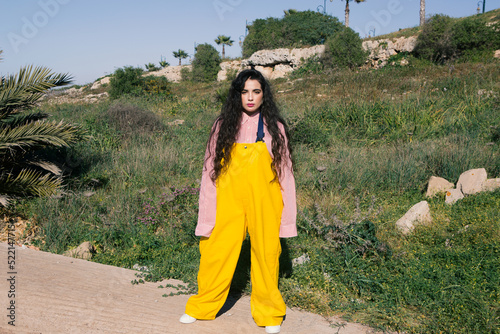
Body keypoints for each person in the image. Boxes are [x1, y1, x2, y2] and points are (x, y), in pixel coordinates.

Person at [179, 68, 297, 334]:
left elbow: (286, 175)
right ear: (237, 95)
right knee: (215, 252)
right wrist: (207, 215)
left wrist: (288, 221)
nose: (251, 97)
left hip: (265, 200)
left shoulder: (275, 128)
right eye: (244, 92)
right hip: (228, 200)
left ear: (264, 95)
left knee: (266, 255)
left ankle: (269, 313)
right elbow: (209, 172)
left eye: (256, 91)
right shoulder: (222, 126)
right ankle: (202, 306)